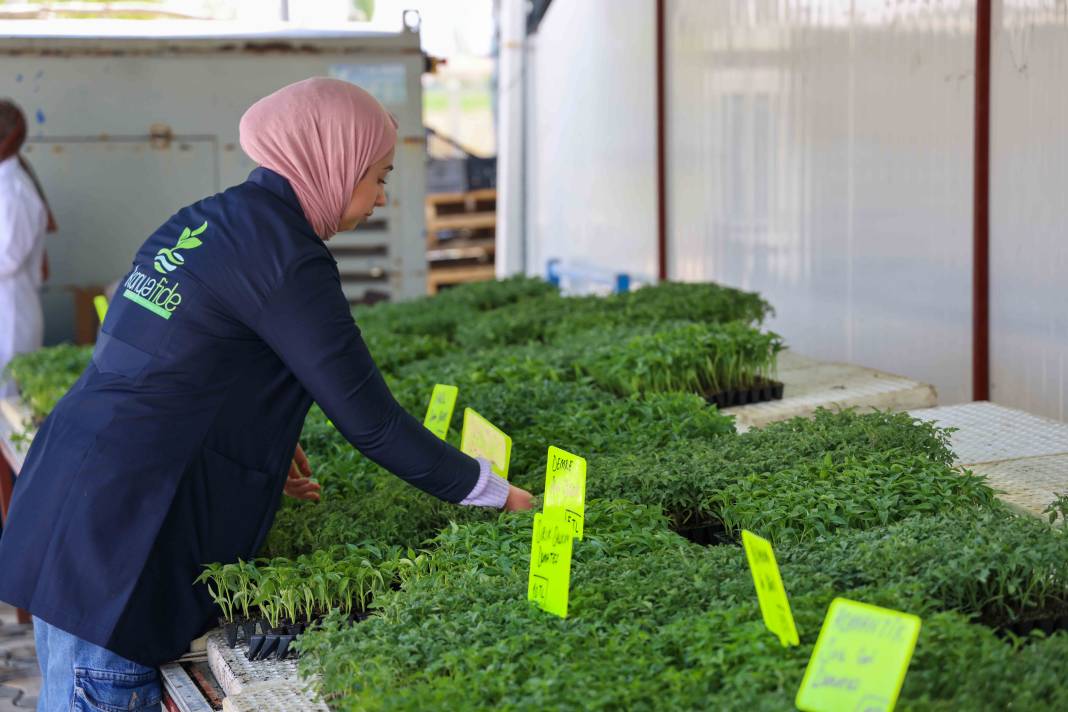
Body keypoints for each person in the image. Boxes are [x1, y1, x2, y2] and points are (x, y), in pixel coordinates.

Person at [0, 78, 533, 712]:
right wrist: (497, 493)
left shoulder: (204, 220)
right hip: (123, 535)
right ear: (331, 163)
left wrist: (253, 449)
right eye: (378, 176)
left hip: (70, 498)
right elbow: (374, 423)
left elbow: (158, 362)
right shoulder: (285, 254)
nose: (381, 199)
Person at [0, 99, 56, 399]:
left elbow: (7, 260)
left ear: (7, 140)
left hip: (10, 318)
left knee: (6, 408)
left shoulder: (14, 192)